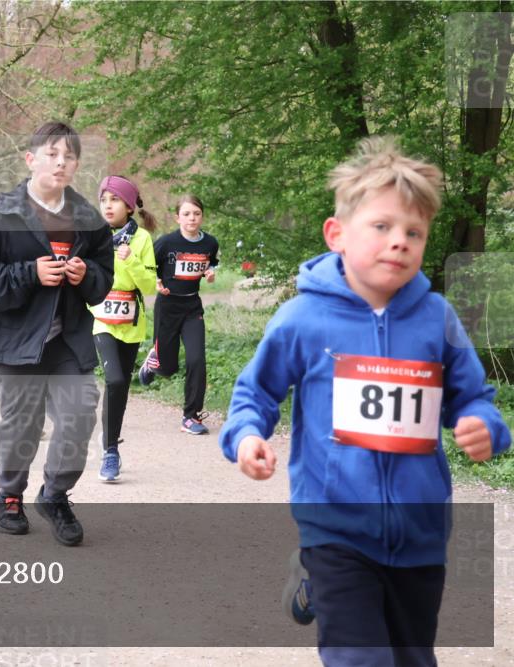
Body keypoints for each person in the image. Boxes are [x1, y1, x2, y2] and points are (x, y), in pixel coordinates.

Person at [218, 136, 511, 667]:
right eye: (382, 227)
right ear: (338, 235)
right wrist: (246, 435)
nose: (399, 241)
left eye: (414, 232)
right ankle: (319, 577)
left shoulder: (436, 318)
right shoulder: (302, 319)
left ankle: (308, 588)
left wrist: (483, 425)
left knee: (411, 658)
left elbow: (474, 398)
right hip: (336, 529)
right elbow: (255, 393)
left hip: (419, 532)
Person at [0, 121, 114, 546]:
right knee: (20, 427)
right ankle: (10, 495)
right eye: (51, 154)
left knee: (81, 413)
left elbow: (103, 281)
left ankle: (55, 495)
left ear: (77, 164)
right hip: (17, 340)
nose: (60, 162)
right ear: (30, 160)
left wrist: (87, 275)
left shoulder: (88, 220)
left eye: (69, 156)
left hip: (67, 340)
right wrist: (30, 273)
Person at [90, 176, 158, 482]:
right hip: (102, 320)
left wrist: (130, 260)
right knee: (114, 379)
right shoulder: (93, 236)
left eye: (114, 200)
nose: (108, 205)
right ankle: (109, 452)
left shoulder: (141, 239)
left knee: (121, 388)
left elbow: (148, 285)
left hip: (131, 323)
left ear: (129, 206)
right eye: (104, 200)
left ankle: (111, 447)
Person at [137, 194, 219, 435]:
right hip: (168, 307)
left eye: (196, 214)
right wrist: (156, 280)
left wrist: (211, 271)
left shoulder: (210, 243)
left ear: (202, 217)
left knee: (197, 360)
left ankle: (191, 416)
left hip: (192, 307)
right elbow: (148, 265)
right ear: (177, 218)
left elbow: (212, 262)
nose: (192, 218)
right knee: (168, 366)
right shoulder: (167, 243)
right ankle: (155, 361)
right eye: (186, 214)